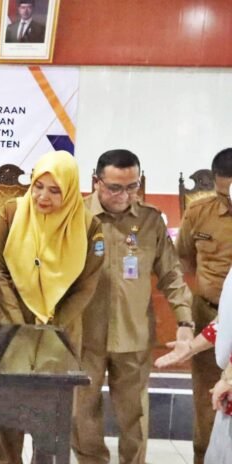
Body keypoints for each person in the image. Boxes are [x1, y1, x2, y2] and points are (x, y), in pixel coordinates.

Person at [71, 149, 194, 464]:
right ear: (96, 181)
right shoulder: (75, 216)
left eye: (132, 187)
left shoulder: (150, 220)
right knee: (82, 411)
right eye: (115, 187)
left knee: (134, 416)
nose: (124, 196)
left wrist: (184, 321)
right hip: (84, 334)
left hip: (133, 335)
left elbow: (171, 274)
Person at [0, 150, 103, 463]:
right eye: (38, 186)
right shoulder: (12, 212)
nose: (42, 197)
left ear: (70, 191)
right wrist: (20, 325)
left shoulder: (89, 227)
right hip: (9, 325)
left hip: (59, 331)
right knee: (8, 411)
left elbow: (86, 285)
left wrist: (51, 326)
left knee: (51, 415)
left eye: (54, 190)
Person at [175, 147, 232, 464]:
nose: (229, 201)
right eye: (223, 195)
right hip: (209, 314)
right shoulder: (199, 212)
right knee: (207, 400)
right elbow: (184, 260)